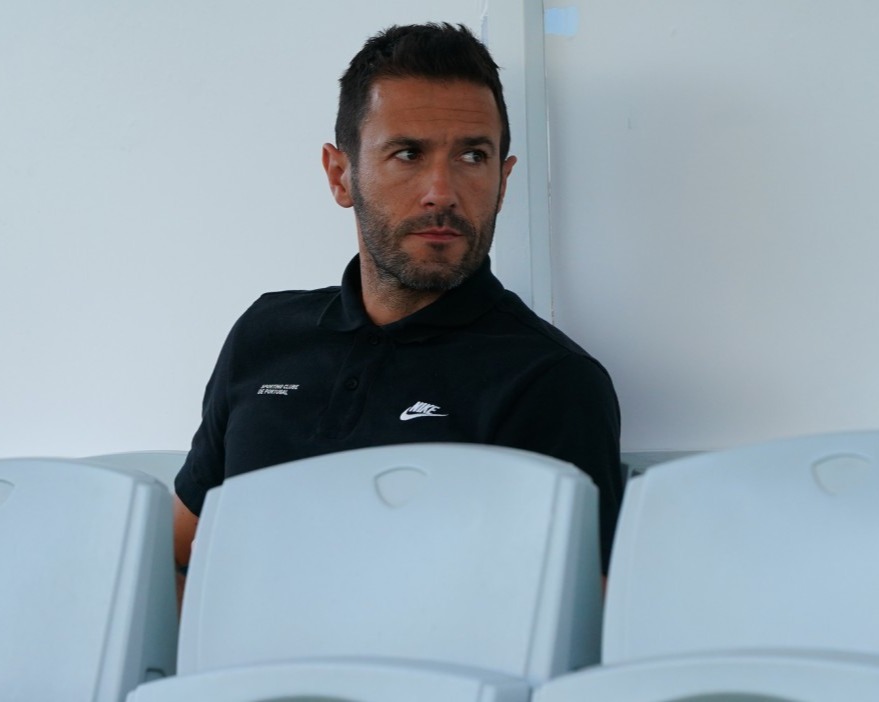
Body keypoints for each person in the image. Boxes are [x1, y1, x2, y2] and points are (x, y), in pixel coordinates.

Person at [172, 22, 622, 595]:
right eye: (408, 154)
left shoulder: (550, 380)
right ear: (341, 175)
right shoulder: (264, 334)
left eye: (472, 156)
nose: (442, 190)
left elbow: (574, 621)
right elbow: (177, 555)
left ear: (504, 182)